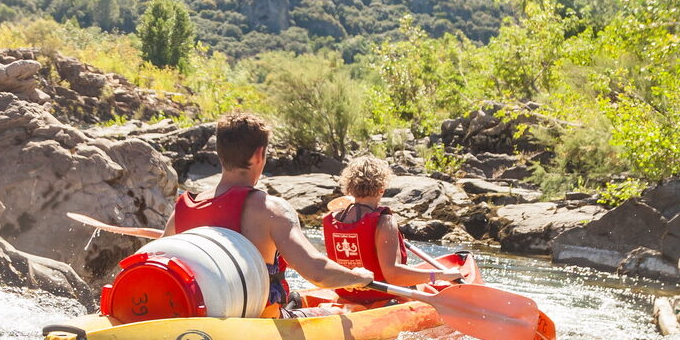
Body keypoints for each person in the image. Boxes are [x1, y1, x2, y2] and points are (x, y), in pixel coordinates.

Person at [162, 111, 373, 317]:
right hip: (262, 322)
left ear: (220, 152)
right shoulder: (270, 209)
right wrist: (357, 277)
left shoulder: (183, 207)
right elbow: (317, 272)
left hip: (198, 319)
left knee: (296, 298)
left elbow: (161, 260)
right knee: (344, 311)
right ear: (259, 154)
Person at [322, 155, 459, 305]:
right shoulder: (384, 221)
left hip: (346, 295)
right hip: (384, 297)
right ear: (382, 188)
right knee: (434, 291)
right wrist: (440, 275)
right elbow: (394, 275)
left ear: (349, 188)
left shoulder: (330, 219)